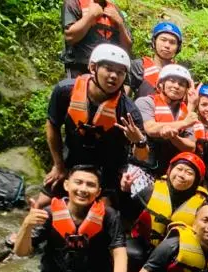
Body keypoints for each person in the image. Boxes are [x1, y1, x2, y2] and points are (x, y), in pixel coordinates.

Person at [42, 44, 148, 208]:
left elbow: (142, 156)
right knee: (40, 205)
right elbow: (52, 126)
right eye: (108, 69)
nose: (114, 76)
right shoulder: (65, 91)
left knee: (103, 213)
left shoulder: (128, 111)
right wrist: (58, 165)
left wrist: (139, 141)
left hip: (107, 171)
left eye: (120, 72)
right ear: (93, 68)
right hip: (71, 161)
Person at [127, 152, 208, 253]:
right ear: (170, 170)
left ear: (196, 181)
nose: (181, 175)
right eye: (179, 169)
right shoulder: (151, 191)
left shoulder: (203, 206)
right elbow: (127, 213)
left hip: (177, 254)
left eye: (189, 173)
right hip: (144, 248)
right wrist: (125, 191)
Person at [136, 64, 197, 177]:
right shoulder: (145, 102)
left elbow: (191, 147)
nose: (176, 86)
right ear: (161, 84)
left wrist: (174, 137)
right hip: (142, 166)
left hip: (170, 171)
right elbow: (150, 128)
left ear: (186, 90)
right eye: (172, 81)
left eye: (181, 84)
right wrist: (184, 123)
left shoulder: (186, 113)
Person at [60, 0, 132, 79]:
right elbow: (70, 37)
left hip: (108, 71)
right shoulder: (74, 3)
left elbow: (127, 49)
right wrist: (90, 16)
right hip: (80, 69)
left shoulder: (115, 10)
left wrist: (120, 24)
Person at [127, 21, 183, 99]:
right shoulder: (138, 67)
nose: (167, 45)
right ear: (154, 42)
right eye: (163, 40)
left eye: (172, 42)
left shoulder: (181, 73)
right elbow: (124, 96)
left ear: (178, 48)